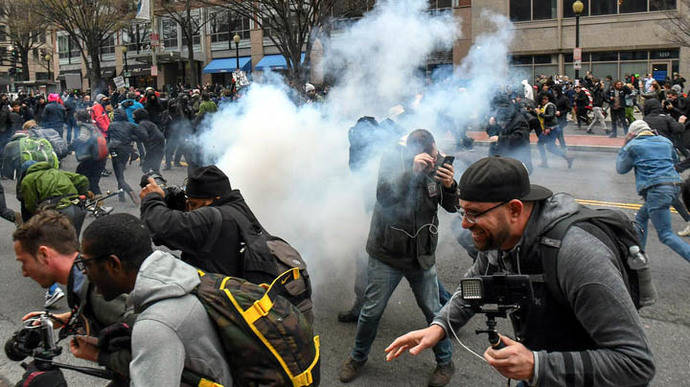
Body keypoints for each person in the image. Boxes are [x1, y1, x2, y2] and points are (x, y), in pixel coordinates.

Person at [385, 156, 656, 387]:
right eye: (464, 212)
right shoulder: (500, 238)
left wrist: (537, 366)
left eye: (474, 213)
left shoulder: (577, 254)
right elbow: (473, 287)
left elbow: (635, 363)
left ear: (514, 209)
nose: (466, 225)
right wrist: (439, 326)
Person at [338, 129, 457, 386]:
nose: (432, 159)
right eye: (427, 155)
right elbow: (384, 196)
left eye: (434, 153)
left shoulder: (439, 162)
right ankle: (357, 358)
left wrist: (450, 186)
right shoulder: (392, 159)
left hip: (421, 256)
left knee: (434, 311)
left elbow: (452, 205)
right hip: (387, 254)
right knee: (371, 312)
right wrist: (410, 174)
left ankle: (446, 363)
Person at [78, 213, 233, 386]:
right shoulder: (179, 277)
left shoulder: (156, 324)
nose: (84, 272)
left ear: (113, 264)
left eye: (86, 264)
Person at [13, 210, 132, 385]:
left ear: (44, 254)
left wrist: (99, 355)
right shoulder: (81, 276)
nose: (24, 272)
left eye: (24, 262)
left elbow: (152, 350)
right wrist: (64, 319)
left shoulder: (98, 289)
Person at [140, 165, 258, 276]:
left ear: (214, 200)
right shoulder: (236, 207)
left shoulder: (212, 217)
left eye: (193, 204)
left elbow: (160, 226)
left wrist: (152, 197)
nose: (190, 210)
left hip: (217, 293)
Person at [617, 120, 690, 262]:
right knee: (641, 217)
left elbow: (621, 168)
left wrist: (625, 144)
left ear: (632, 134)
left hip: (657, 190)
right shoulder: (665, 142)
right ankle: (638, 255)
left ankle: (638, 256)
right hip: (675, 186)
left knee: (665, 234)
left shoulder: (633, 145)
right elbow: (674, 160)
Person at [107, 108, 146, 204]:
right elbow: (143, 135)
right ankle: (121, 196)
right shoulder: (131, 125)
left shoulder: (111, 125)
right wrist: (131, 137)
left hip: (114, 150)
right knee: (120, 172)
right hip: (126, 151)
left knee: (119, 175)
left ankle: (130, 192)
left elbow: (108, 138)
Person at [486, 96, 532, 173]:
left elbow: (520, 138)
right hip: (499, 160)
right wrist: (491, 125)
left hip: (516, 161)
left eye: (502, 123)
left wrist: (500, 139)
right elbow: (491, 133)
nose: (501, 124)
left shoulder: (519, 120)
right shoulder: (498, 116)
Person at [535, 94, 574, 168]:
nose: (542, 101)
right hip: (551, 129)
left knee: (545, 146)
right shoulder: (547, 106)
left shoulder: (550, 106)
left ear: (547, 99)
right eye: (542, 99)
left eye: (544, 99)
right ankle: (567, 158)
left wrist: (540, 113)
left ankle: (545, 162)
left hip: (552, 129)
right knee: (548, 147)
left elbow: (551, 116)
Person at [73, 110, 107, 194]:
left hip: (91, 158)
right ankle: (98, 201)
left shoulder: (84, 127)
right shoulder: (93, 126)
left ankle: (84, 199)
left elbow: (83, 138)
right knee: (94, 182)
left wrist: (72, 145)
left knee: (81, 178)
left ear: (80, 119)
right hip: (100, 157)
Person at [132, 108, 165, 173]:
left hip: (153, 148)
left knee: (146, 168)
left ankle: (155, 181)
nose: (133, 118)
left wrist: (133, 137)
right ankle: (158, 181)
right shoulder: (149, 123)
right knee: (155, 168)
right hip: (159, 147)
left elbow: (144, 136)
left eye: (134, 116)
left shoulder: (142, 124)